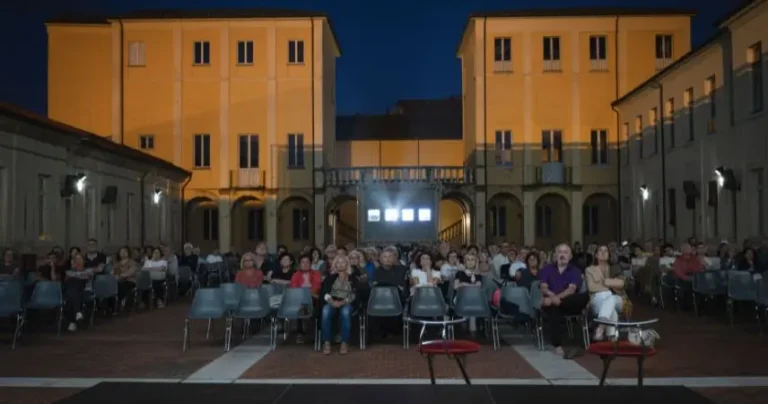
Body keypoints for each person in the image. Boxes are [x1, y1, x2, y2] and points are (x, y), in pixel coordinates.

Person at [538, 244, 589, 356]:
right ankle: (558, 346)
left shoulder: (575, 270)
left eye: (566, 252)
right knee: (552, 308)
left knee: (583, 297)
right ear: (555, 255)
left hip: (570, 303)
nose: (562, 255)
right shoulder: (547, 269)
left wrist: (555, 299)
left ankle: (555, 303)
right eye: (560, 252)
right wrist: (552, 297)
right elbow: (544, 287)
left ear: (570, 256)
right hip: (554, 305)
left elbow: (571, 289)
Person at [585, 245, 625, 341]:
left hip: (617, 300)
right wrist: (610, 284)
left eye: (606, 251)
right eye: (600, 250)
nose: (603, 253)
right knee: (611, 307)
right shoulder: (589, 269)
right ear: (596, 255)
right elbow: (591, 287)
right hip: (597, 300)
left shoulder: (614, 269)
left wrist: (604, 285)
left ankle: (601, 327)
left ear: (609, 255)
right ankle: (612, 337)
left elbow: (622, 284)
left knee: (610, 297)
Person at [320, 255, 357, 355]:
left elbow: (355, 294)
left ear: (347, 264)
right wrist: (332, 302)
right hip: (332, 301)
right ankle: (326, 342)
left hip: (347, 302)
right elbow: (325, 293)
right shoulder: (330, 278)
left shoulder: (353, 278)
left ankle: (344, 342)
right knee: (325, 311)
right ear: (335, 264)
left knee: (345, 311)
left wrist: (343, 302)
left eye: (343, 262)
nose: (340, 264)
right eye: (338, 262)